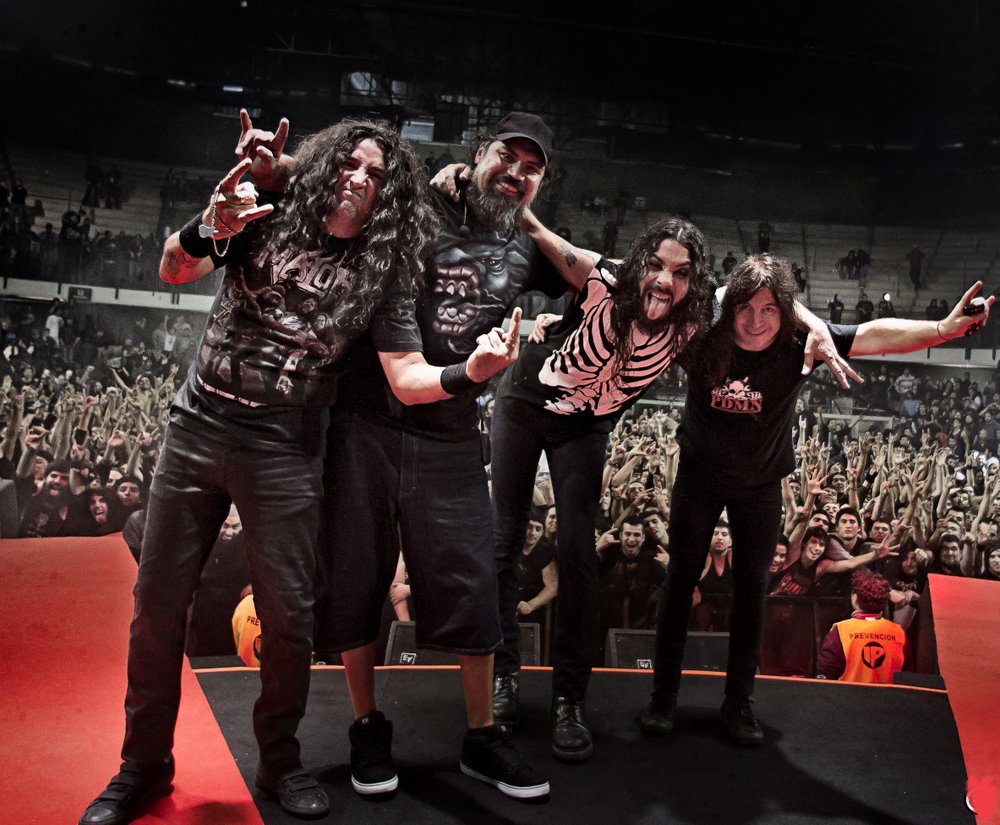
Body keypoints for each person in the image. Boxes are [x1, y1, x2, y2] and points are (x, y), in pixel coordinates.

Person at [79, 117, 520, 825]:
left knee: (289, 616)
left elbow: (406, 376)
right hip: (199, 426)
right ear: (324, 165)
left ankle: (281, 761)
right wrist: (209, 226)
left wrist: (470, 371)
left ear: (388, 196)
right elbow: (173, 268)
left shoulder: (382, 269)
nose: (359, 179)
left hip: (284, 446)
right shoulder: (264, 210)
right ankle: (142, 764)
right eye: (349, 163)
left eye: (377, 175)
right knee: (157, 605)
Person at [238, 110, 560, 800]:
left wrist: (531, 222)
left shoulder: (525, 246)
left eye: (532, 168)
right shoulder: (416, 201)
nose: (516, 173)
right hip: (367, 421)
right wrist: (273, 168)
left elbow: (606, 277)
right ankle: (366, 724)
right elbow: (339, 182)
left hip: (451, 434)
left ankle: (482, 736)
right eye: (507, 157)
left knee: (473, 581)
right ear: (478, 154)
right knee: (356, 576)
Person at [638, 255, 993, 746]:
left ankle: (738, 702)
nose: (756, 321)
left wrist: (941, 329)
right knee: (679, 582)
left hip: (760, 484)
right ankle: (662, 697)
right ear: (729, 306)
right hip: (699, 476)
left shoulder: (800, 342)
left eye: (769, 309)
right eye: (745, 308)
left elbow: (872, 334)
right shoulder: (703, 333)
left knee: (752, 593)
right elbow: (633, 295)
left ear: (785, 311)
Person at [816, 570, 909, 682]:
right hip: (890, 693)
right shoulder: (899, 633)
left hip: (848, 693)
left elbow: (825, 674)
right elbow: (907, 675)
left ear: (855, 599)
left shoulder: (841, 631)